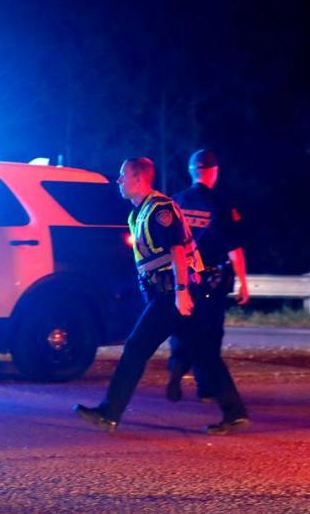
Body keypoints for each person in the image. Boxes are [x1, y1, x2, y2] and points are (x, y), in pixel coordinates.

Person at [74, 156, 237, 434]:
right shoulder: (138, 212)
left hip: (174, 292)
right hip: (170, 292)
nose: (119, 181)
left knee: (136, 348)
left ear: (138, 179)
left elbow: (178, 251)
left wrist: (182, 293)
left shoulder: (160, 209)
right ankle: (236, 413)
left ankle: (109, 412)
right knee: (205, 354)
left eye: (123, 176)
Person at [169, 148, 249, 434]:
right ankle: (222, 400)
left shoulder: (175, 202)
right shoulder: (220, 203)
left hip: (182, 278)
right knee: (210, 337)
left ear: (191, 171)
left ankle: (180, 366)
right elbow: (234, 248)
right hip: (212, 281)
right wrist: (242, 281)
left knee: (185, 328)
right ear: (214, 171)